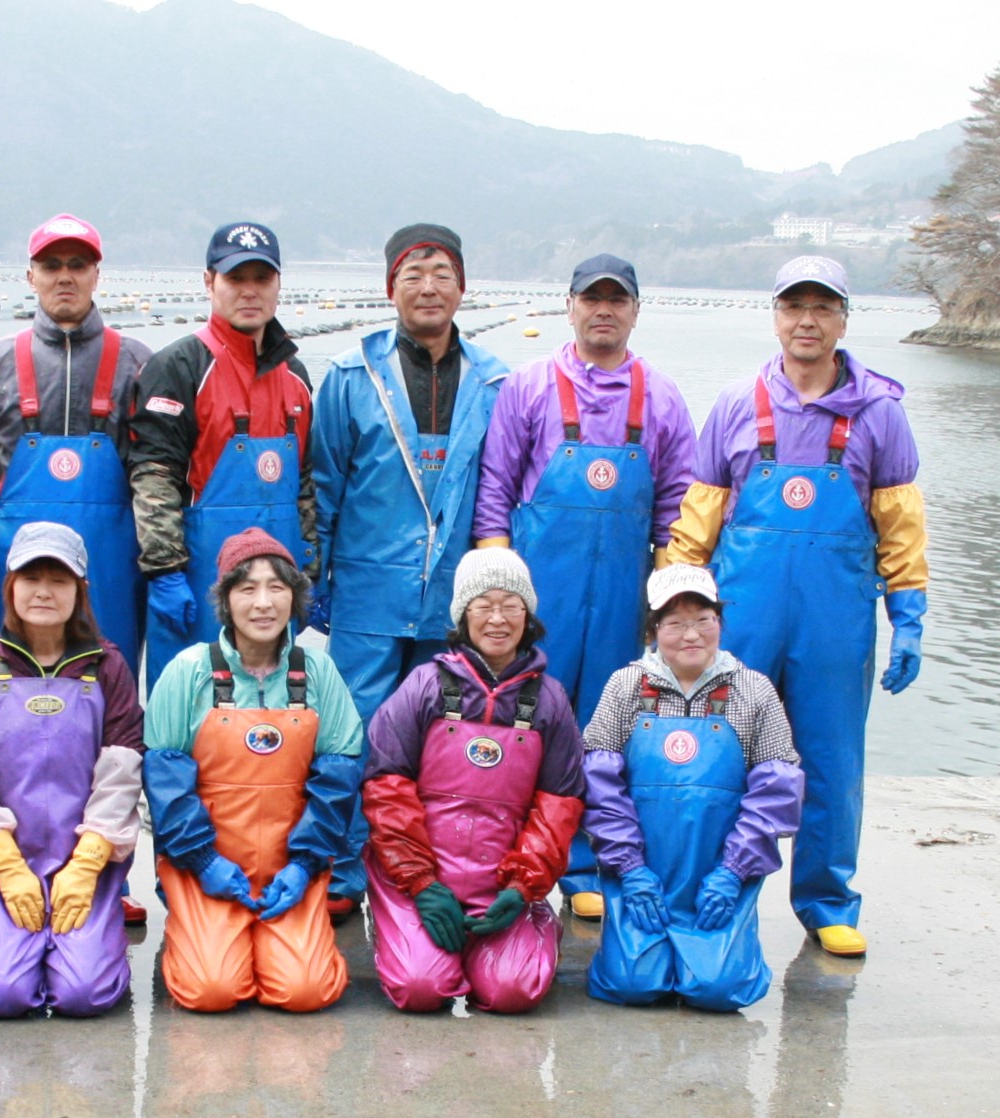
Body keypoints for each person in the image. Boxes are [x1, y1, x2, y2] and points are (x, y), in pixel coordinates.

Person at [667, 256, 929, 958]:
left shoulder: (880, 413)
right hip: (742, 619)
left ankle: (826, 900)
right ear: (776, 315)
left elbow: (900, 527)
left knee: (831, 763)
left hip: (836, 623)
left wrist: (908, 617)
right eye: (793, 306)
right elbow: (698, 523)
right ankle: (712, 890)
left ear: (844, 318)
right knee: (721, 757)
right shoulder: (734, 404)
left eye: (822, 306)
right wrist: (669, 611)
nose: (806, 320)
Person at [473, 253, 696, 920]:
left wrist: (669, 599)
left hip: (623, 600)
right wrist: (497, 590)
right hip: (541, 603)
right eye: (591, 297)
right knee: (520, 727)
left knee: (609, 732)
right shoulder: (529, 387)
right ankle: (506, 856)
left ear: (635, 309)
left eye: (617, 299)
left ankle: (590, 863)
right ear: (568, 305)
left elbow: (679, 506)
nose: (604, 309)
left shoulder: (663, 398)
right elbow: (494, 494)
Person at [311, 223, 510, 918]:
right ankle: (342, 868)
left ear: (463, 287)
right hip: (366, 589)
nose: (429, 287)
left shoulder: (495, 380)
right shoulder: (349, 376)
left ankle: (419, 872)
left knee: (442, 739)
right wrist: (315, 580)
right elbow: (323, 485)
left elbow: (503, 488)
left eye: (442, 273)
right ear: (388, 288)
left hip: (453, 596)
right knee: (354, 733)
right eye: (413, 273)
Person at [144, 528, 362, 1012]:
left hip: (290, 868)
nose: (263, 603)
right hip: (208, 868)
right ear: (225, 601)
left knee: (306, 992)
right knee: (210, 991)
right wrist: (202, 862)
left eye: (277, 588)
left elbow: (339, 777)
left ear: (295, 597)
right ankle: (195, 926)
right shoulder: (188, 671)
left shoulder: (319, 673)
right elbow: (164, 783)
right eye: (247, 589)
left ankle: (283, 936)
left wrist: (305, 866)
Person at [361, 549, 583, 1013]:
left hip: (500, 882)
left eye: (511, 605)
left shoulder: (550, 701)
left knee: (512, 992)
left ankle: (535, 924)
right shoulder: (423, 685)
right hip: (419, 878)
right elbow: (385, 789)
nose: (497, 619)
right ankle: (399, 926)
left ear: (529, 615)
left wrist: (523, 887)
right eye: (483, 605)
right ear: (463, 614)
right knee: (421, 989)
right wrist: (420, 882)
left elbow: (560, 805)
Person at [0, 522, 144, 1018]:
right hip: (2, 858)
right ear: (10, 587)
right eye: (31, 578)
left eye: (60, 579)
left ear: (81, 591)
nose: (44, 592)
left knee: (86, 995)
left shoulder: (108, 667)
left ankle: (85, 938)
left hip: (82, 858)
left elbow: (122, 774)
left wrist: (89, 861)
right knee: (2, 994)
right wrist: (5, 864)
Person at [582, 565, 803, 1010]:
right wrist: (629, 868)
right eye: (676, 623)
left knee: (717, 991)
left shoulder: (755, 691)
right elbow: (597, 786)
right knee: (633, 986)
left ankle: (731, 945)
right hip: (642, 875)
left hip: (718, 877)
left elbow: (778, 793)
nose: (691, 635)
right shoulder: (623, 687)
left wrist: (732, 872)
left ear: (720, 623)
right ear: (653, 629)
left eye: (704, 620)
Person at [127, 222, 318, 692]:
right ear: (209, 282)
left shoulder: (295, 375)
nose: (249, 291)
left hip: (276, 588)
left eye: (262, 278)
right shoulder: (178, 367)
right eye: (236, 278)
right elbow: (154, 475)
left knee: (272, 714)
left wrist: (311, 570)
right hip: (198, 579)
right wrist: (165, 572)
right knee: (191, 710)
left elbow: (307, 484)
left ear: (278, 286)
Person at [0, 213, 154, 665]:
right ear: (31, 276)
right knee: (1, 682)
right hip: (14, 556)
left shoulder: (138, 362)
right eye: (51, 266)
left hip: (110, 561)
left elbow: (153, 467)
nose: (64, 276)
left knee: (111, 685)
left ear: (96, 275)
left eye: (77, 264)